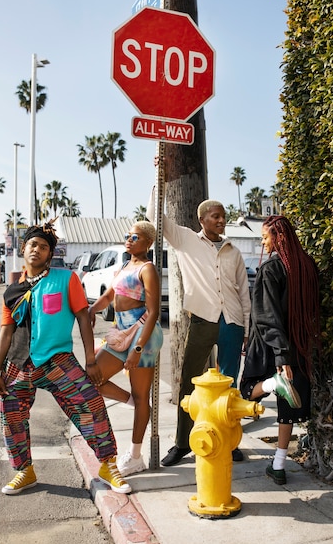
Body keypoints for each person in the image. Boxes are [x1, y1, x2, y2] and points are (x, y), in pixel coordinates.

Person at [0, 221, 131, 495]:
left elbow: (82, 317)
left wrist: (90, 360)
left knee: (90, 404)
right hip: (18, 364)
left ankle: (107, 465)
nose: (38, 250)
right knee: (12, 417)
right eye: (33, 244)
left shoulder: (66, 279)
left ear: (50, 254)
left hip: (58, 361)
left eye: (44, 247)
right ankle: (25, 471)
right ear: (23, 248)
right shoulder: (12, 291)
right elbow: (5, 333)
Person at [147, 187, 251, 466]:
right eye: (216, 216)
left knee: (230, 385)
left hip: (233, 323)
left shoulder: (233, 252)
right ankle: (182, 443)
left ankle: (229, 441)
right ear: (202, 219)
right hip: (202, 321)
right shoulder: (186, 240)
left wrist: (247, 329)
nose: (221, 221)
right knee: (190, 382)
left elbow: (243, 293)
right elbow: (155, 218)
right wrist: (159, 183)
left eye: (223, 217)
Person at [240, 215, 320, 485]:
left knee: (248, 389)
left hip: (272, 344)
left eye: (265, 237)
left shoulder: (272, 268)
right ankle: (278, 465)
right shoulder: (307, 265)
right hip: (299, 343)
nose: (263, 242)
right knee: (288, 410)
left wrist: (279, 357)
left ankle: (274, 383)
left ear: (280, 237)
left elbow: (267, 316)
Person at [89, 221, 163, 477]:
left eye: (136, 237)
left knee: (144, 396)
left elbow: (154, 312)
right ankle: (131, 401)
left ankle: (135, 456)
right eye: (128, 235)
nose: (129, 239)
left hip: (143, 336)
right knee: (91, 379)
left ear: (148, 243)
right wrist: (91, 310)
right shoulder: (123, 266)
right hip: (120, 334)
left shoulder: (147, 269)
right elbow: (109, 296)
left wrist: (138, 349)